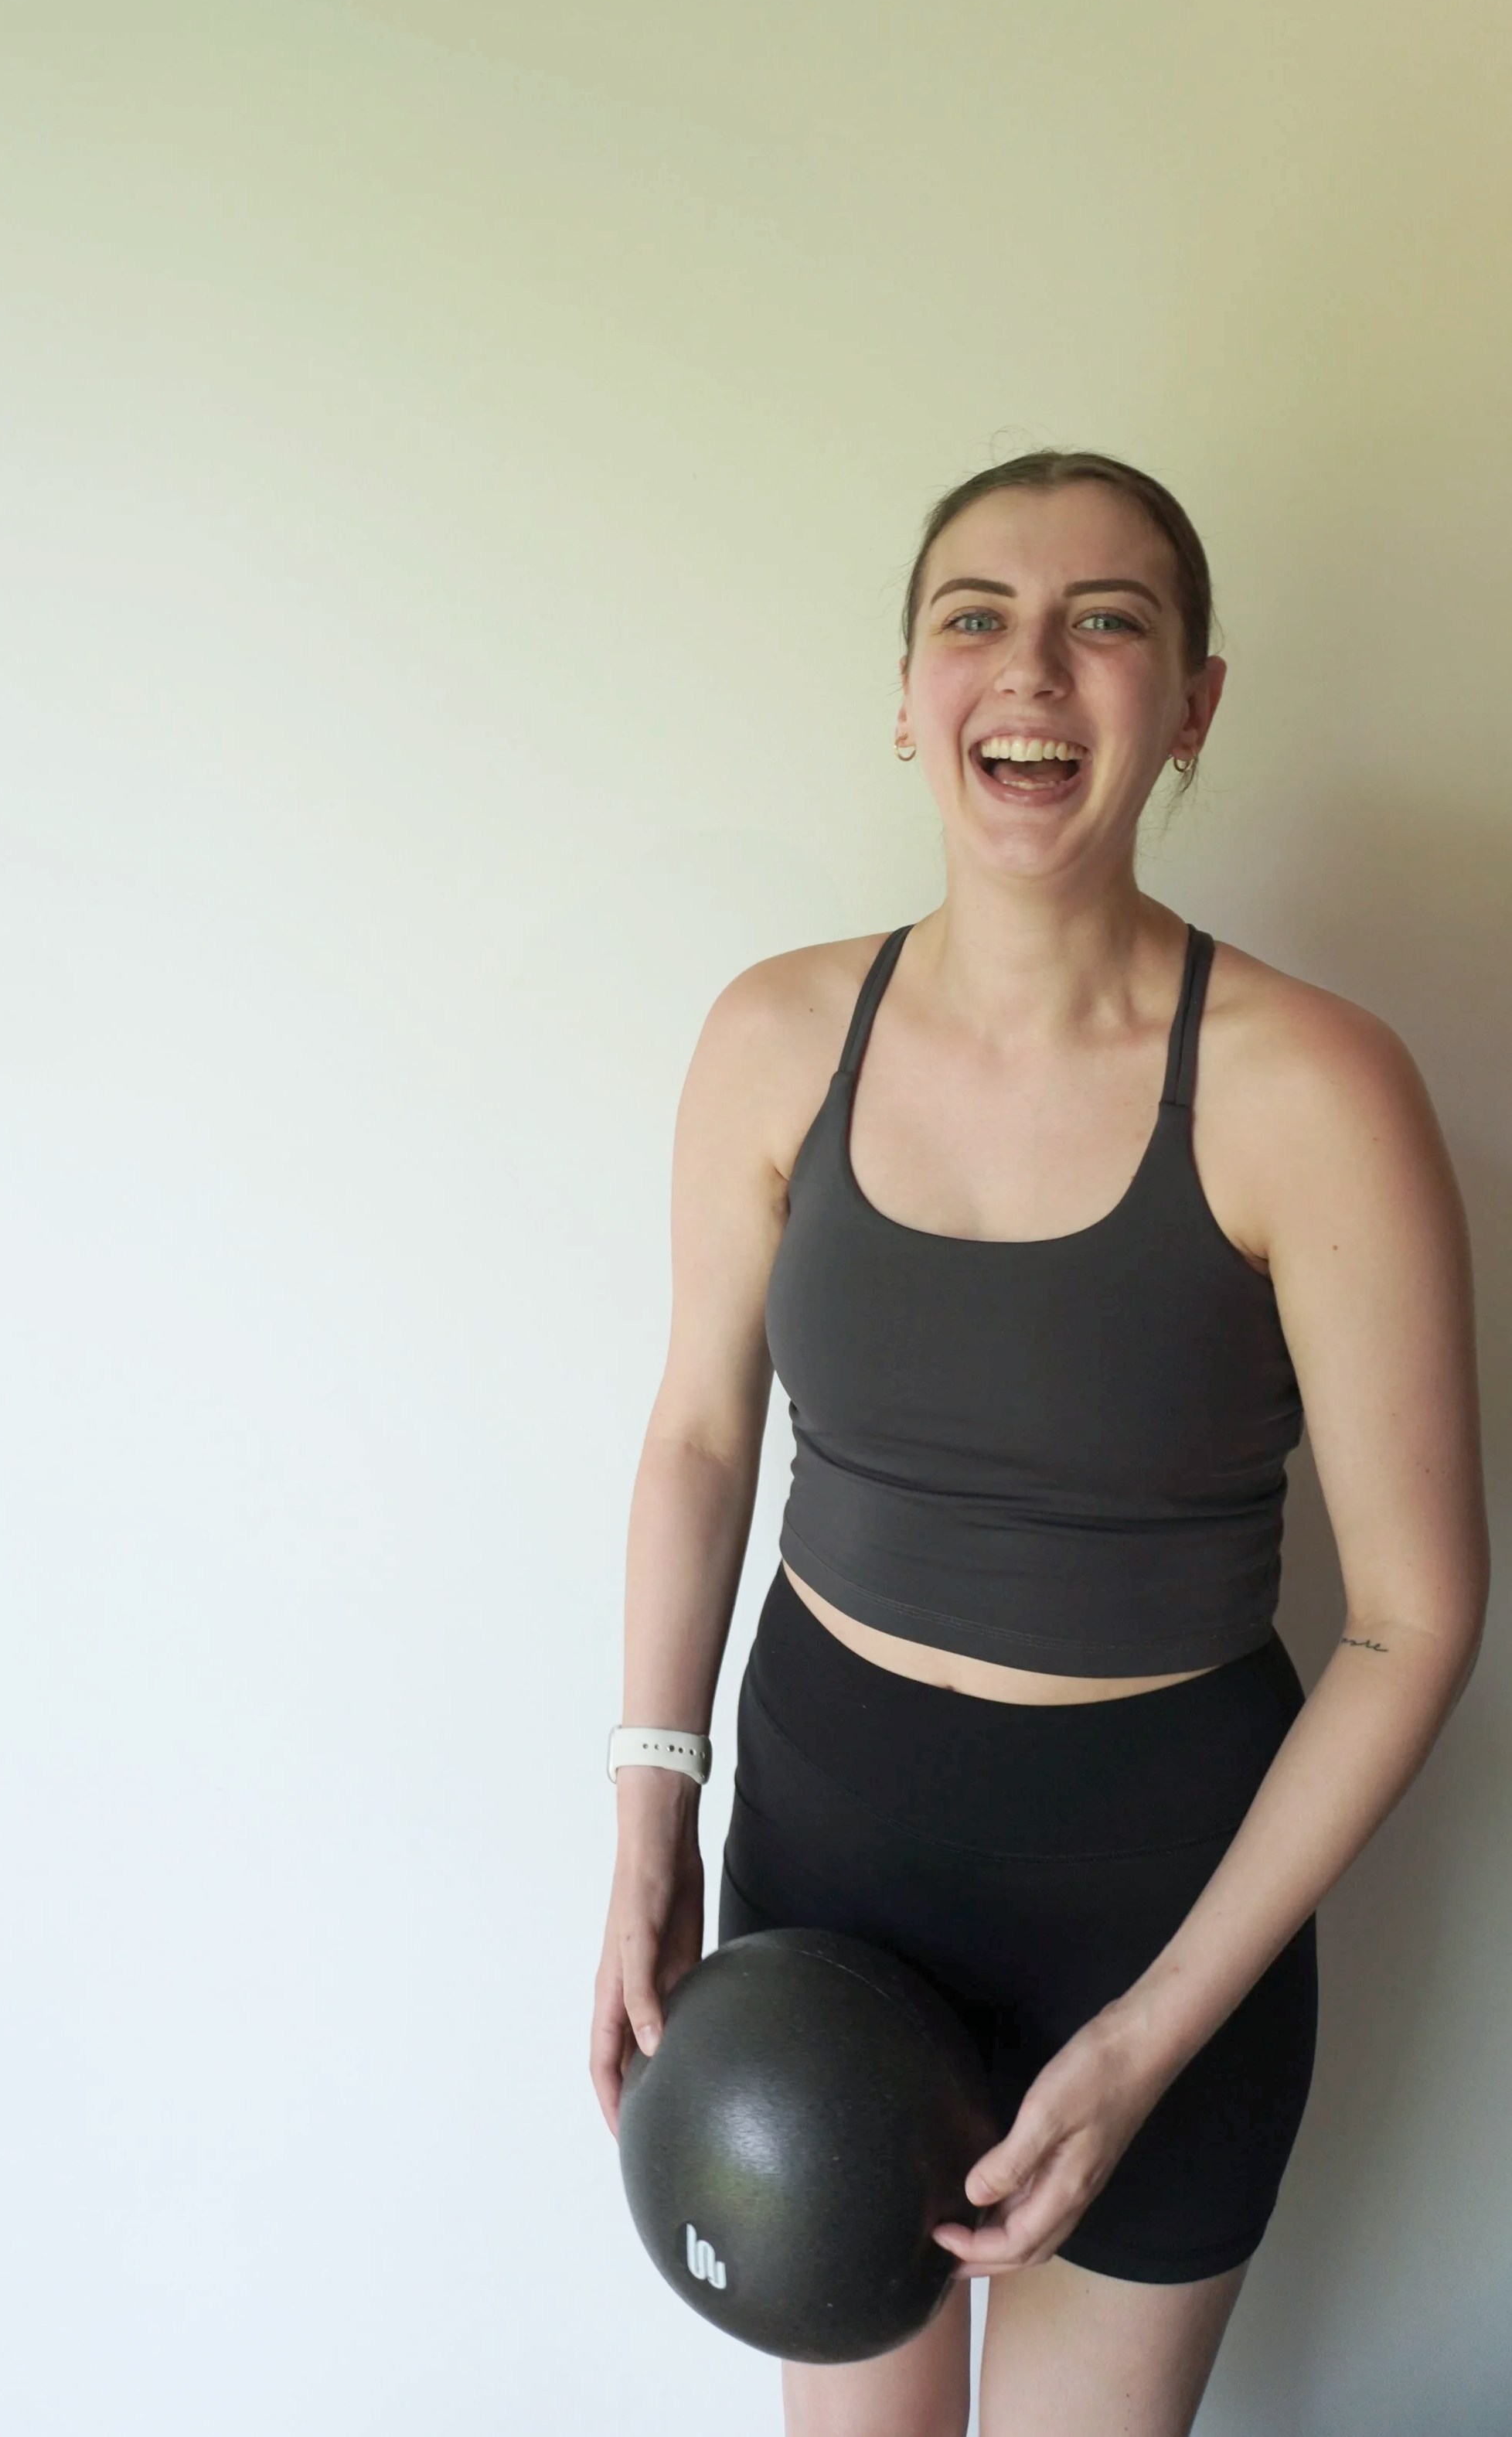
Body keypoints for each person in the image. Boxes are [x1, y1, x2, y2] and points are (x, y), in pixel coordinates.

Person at [590, 450, 1487, 2437]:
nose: (1034, 666)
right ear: (905, 688)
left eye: (1109, 621)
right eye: (973, 615)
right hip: (821, 1866)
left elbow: (1413, 1614)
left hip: (1160, 1907)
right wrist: (653, 1807)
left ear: (1191, 703)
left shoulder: (1311, 1087)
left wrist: (1154, 2032)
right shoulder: (770, 1035)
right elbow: (698, 1436)